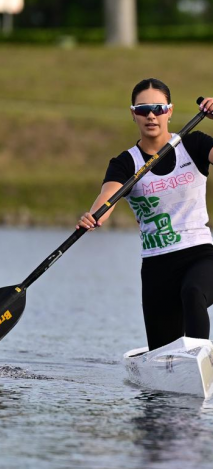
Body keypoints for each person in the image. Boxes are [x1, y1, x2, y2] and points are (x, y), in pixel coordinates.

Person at [77, 78, 213, 351]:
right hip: (156, 266)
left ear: (170, 111)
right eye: (142, 109)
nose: (151, 115)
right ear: (133, 114)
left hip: (200, 253)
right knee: (163, 351)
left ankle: (201, 358)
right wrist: (94, 216)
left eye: (158, 108)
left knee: (193, 292)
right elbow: (106, 199)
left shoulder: (194, 144)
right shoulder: (126, 163)